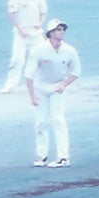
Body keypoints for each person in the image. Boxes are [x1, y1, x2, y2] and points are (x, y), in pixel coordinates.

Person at [26, 18, 79, 169]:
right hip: (40, 88)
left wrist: (63, 84)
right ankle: (42, 156)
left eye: (62, 30)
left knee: (58, 120)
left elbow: (76, 72)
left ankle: (63, 157)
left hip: (57, 88)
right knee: (40, 122)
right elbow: (29, 75)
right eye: (58, 30)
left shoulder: (69, 50)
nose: (62, 32)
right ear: (50, 33)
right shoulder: (38, 50)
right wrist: (32, 96)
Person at [2, 0, 47, 94]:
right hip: (21, 34)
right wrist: (20, 29)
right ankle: (10, 86)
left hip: (36, 34)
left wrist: (40, 23)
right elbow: (11, 13)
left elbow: (43, 12)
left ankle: (43, 83)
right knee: (17, 60)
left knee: (42, 57)